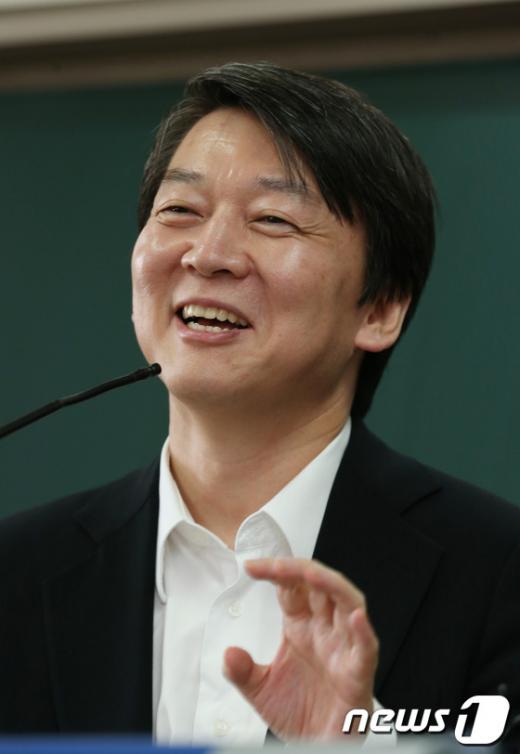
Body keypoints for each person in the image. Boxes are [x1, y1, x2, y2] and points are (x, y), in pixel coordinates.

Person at [0, 62, 518, 749]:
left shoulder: (498, 573)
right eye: (180, 211)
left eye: (273, 219)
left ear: (381, 308)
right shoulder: (17, 572)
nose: (209, 254)